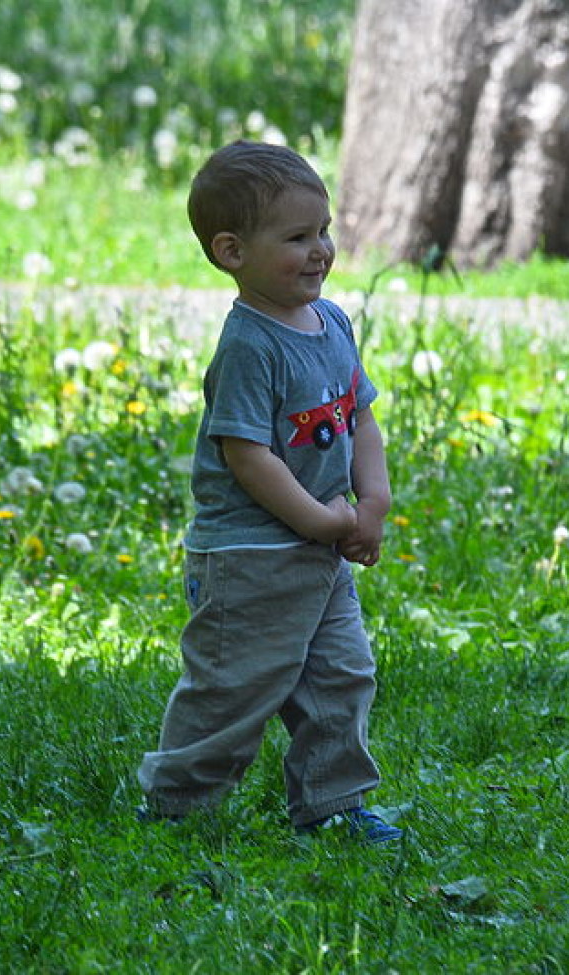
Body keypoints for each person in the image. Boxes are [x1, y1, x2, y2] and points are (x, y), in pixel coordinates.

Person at [137, 141, 402, 845]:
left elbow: (359, 415)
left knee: (340, 677)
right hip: (251, 556)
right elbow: (247, 455)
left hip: (319, 550)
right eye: (296, 237)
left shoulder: (334, 322)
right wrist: (320, 519)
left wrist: (370, 502)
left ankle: (333, 804)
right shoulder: (250, 344)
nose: (320, 250)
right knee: (234, 688)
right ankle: (177, 804)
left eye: (323, 231)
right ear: (231, 251)